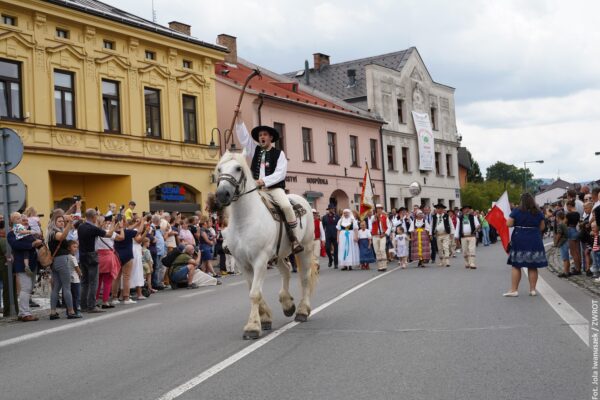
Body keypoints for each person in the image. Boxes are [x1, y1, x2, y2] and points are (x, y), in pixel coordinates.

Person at [234, 110, 303, 253]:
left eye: (264, 134)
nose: (262, 137)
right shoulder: (255, 150)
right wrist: (239, 118)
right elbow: (244, 138)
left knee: (286, 206)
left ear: (271, 137)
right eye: (260, 135)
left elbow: (280, 174)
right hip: (256, 190)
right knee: (239, 203)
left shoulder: (279, 154)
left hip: (274, 188)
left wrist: (263, 181)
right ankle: (235, 239)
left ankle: (294, 238)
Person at [504, 193, 548, 297]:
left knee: (516, 265)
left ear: (521, 201)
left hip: (519, 238)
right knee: (533, 266)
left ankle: (514, 290)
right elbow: (542, 227)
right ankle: (532, 290)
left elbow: (508, 224)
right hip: (534, 239)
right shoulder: (538, 212)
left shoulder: (517, 211)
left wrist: (519, 223)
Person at [77, 209, 116, 313]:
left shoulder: (81, 227)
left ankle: (83, 305)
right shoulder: (93, 228)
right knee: (94, 281)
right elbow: (109, 234)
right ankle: (92, 306)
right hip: (92, 255)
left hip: (82, 255)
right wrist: (113, 225)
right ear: (93, 217)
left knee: (84, 282)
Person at [7, 220, 43, 321]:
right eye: (21, 220)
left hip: (32, 264)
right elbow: (16, 245)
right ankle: (25, 314)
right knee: (25, 288)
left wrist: (39, 240)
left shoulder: (28, 232)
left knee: (28, 288)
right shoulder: (11, 234)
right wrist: (32, 244)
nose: (24, 223)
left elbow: (38, 243)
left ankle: (23, 312)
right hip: (21, 265)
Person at [47, 214, 81, 320]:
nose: (62, 223)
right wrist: (69, 223)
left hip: (55, 262)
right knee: (67, 287)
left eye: (62, 221)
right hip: (61, 260)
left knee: (56, 287)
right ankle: (71, 311)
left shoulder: (51, 233)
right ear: (54, 223)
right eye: (59, 221)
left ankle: (53, 312)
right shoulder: (55, 233)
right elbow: (62, 237)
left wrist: (68, 223)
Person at [369, 204, 392, 271]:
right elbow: (371, 223)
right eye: (377, 209)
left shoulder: (385, 217)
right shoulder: (373, 217)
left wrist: (385, 234)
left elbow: (389, 227)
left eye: (380, 208)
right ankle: (380, 266)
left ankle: (384, 265)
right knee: (377, 251)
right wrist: (376, 217)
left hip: (382, 235)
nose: (378, 210)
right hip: (375, 236)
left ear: (382, 209)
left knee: (382, 249)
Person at [565, 200, 582, 275]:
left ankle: (577, 269)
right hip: (576, 230)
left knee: (573, 252)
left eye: (567, 206)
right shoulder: (577, 214)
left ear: (569, 206)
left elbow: (565, 223)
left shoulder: (569, 214)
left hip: (570, 231)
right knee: (577, 252)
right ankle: (579, 267)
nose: (567, 208)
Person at [322, 204, 340, 269]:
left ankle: (336, 263)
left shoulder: (337, 217)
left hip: (335, 235)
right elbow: (323, 227)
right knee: (327, 248)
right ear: (329, 210)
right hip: (328, 235)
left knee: (336, 250)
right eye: (331, 209)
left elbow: (339, 226)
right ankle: (330, 259)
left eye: (333, 209)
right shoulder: (324, 217)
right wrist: (323, 236)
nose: (333, 210)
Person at [67, 241, 82, 316]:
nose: (76, 249)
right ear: (69, 248)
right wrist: (81, 274)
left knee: (71, 296)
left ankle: (69, 310)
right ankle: (77, 311)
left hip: (69, 279)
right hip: (75, 280)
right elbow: (77, 268)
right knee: (76, 296)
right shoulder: (72, 257)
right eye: (74, 247)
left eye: (77, 247)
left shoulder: (66, 256)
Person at [554, 211, 571, 278]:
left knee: (565, 258)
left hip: (563, 242)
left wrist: (555, 242)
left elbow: (559, 234)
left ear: (557, 217)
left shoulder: (560, 224)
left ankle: (565, 272)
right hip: (566, 241)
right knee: (566, 257)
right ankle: (567, 271)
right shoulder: (564, 224)